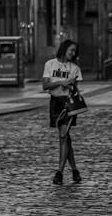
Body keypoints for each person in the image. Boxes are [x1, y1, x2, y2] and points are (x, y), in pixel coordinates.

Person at [42, 39, 84, 185]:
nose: (73, 53)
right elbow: (45, 85)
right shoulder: (50, 64)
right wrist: (61, 82)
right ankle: (74, 171)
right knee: (65, 138)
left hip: (68, 104)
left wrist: (72, 86)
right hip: (55, 103)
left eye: (75, 51)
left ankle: (59, 172)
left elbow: (76, 90)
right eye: (71, 50)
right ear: (65, 48)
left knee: (63, 136)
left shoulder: (75, 68)